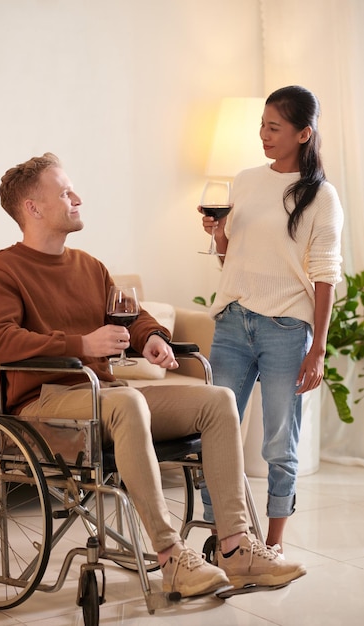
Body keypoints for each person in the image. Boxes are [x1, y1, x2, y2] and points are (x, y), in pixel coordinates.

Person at [0, 152, 306, 599]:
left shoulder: (87, 266)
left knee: (218, 400)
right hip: (44, 406)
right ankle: (171, 557)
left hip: (102, 399)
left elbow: (132, 316)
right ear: (33, 208)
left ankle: (236, 547)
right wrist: (81, 345)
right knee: (127, 400)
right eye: (64, 192)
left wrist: (152, 338)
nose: (77, 197)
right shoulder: (3, 269)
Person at [199, 85, 344, 552]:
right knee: (215, 435)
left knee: (280, 442)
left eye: (274, 127)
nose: (263, 134)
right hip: (233, 323)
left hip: (286, 329)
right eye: (261, 125)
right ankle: (224, 538)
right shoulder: (244, 180)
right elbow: (231, 260)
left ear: (304, 134)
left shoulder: (322, 197)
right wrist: (219, 234)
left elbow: (325, 278)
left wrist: (317, 349)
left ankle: (274, 544)